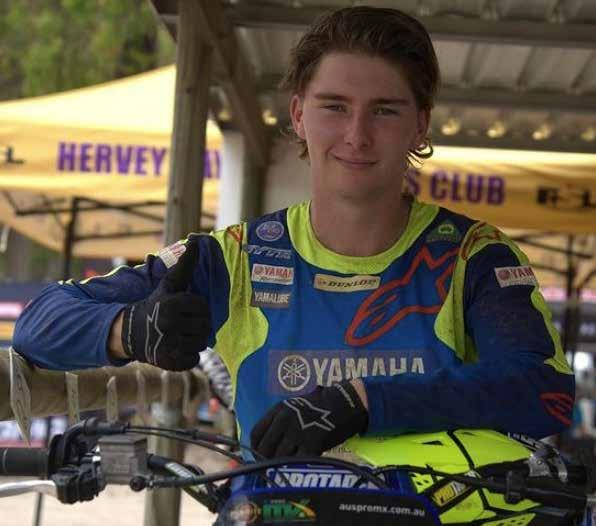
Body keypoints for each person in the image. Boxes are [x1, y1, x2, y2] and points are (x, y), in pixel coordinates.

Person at [14, 6, 574, 459]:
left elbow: (543, 391)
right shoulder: (234, 257)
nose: (356, 135)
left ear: (420, 124)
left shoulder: (475, 255)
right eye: (335, 107)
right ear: (299, 115)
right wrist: (130, 329)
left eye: (384, 111)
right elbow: (38, 326)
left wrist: (365, 402)